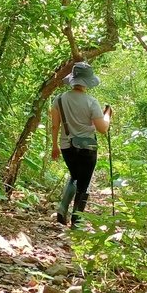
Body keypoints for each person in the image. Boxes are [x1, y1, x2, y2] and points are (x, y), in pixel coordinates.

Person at [50, 62, 112, 226]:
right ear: (88, 82)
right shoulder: (92, 102)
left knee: (75, 175)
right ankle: (76, 220)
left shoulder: (59, 99)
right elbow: (102, 129)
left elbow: (55, 125)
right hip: (87, 148)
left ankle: (62, 209)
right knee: (83, 183)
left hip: (66, 146)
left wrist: (54, 145)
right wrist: (108, 115)